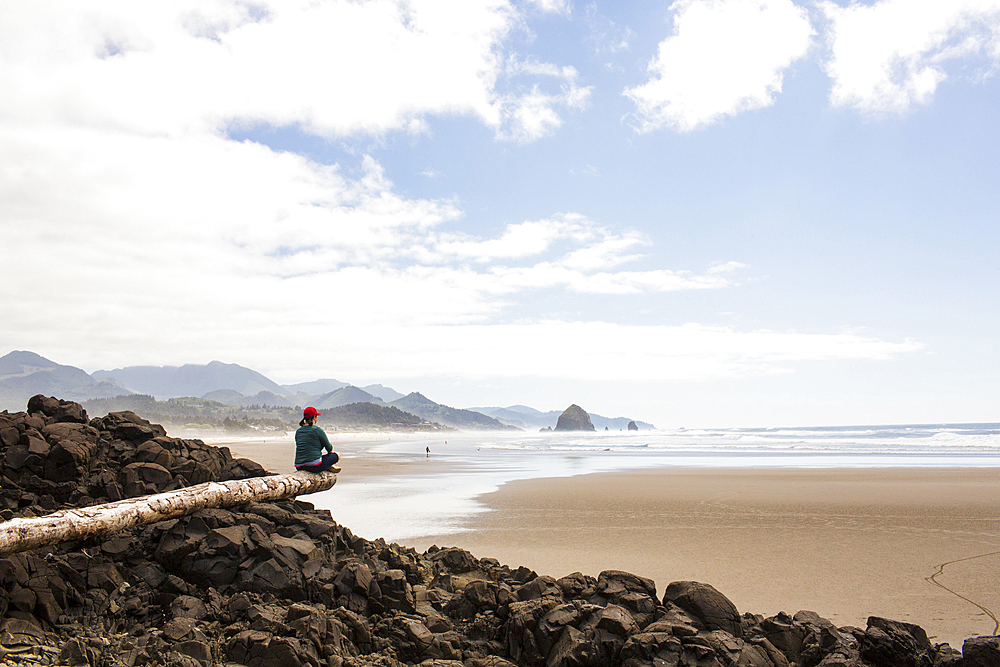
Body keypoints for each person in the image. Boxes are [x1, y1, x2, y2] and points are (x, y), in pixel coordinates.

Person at [294, 407, 340, 473]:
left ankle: (328, 465)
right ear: (314, 417)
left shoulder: (298, 431)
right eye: (317, 416)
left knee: (317, 457)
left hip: (299, 466)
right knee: (337, 455)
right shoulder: (317, 430)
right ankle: (329, 465)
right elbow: (329, 448)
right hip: (315, 466)